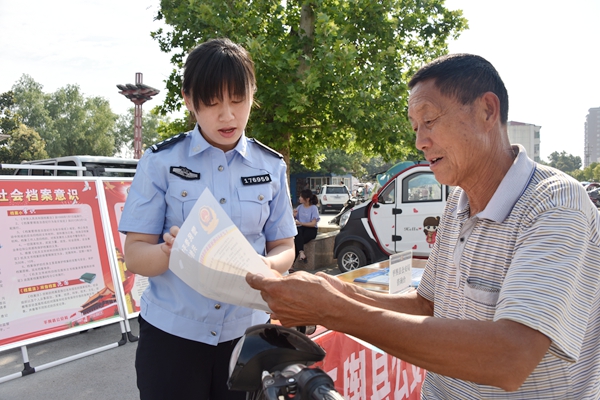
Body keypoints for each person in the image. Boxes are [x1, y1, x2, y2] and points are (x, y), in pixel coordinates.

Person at [246, 53, 600, 398]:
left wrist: (333, 309)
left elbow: (511, 357)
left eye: (429, 120)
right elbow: (427, 307)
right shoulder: (456, 206)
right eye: (416, 128)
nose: (420, 142)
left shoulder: (554, 204)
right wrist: (339, 293)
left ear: (487, 111)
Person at [119, 38, 297, 400]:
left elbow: (285, 246)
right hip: (173, 339)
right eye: (213, 103)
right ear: (189, 100)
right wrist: (173, 251)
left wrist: (267, 265)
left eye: (238, 100)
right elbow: (135, 254)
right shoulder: (161, 162)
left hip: (247, 338)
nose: (228, 116)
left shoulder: (271, 166)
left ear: (252, 94)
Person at [293, 188, 320, 263]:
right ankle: (302, 254)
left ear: (307, 199)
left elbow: (313, 224)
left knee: (298, 241)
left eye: (301, 197)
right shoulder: (299, 207)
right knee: (298, 233)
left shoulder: (313, 208)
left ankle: (291, 265)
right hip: (301, 229)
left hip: (311, 230)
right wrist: (293, 216)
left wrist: (300, 223)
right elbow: (293, 221)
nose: (299, 198)